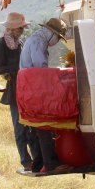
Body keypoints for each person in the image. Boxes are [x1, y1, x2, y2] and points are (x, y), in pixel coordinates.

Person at [19, 17, 71, 174]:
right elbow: (41, 68)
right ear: (52, 33)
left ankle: (38, 164)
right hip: (35, 88)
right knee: (44, 126)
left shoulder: (35, 38)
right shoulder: (38, 42)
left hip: (30, 88)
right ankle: (51, 164)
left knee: (37, 127)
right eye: (58, 38)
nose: (57, 42)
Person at [0, 11, 39, 172]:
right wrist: (14, 72)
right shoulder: (1, 45)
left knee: (31, 127)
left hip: (26, 89)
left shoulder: (20, 43)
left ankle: (37, 160)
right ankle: (25, 160)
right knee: (20, 128)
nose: (22, 31)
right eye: (20, 28)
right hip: (14, 91)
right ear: (12, 29)